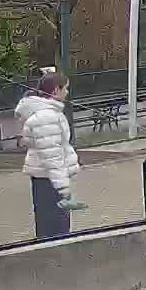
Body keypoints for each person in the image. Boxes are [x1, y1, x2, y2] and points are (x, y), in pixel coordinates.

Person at [17, 71, 84, 239]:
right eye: (65, 88)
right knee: (55, 228)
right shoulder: (48, 117)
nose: (67, 92)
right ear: (55, 90)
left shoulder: (45, 114)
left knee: (49, 224)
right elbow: (52, 157)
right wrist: (64, 188)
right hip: (49, 180)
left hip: (45, 178)